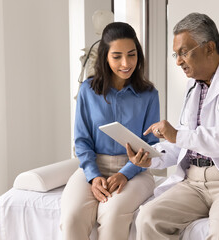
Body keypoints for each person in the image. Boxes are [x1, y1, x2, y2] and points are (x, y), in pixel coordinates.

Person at [127, 12, 219, 240]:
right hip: (194, 181)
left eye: (183, 53)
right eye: (175, 54)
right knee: (148, 217)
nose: (178, 61)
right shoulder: (194, 86)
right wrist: (153, 156)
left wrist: (178, 135)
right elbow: (184, 143)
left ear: (209, 48)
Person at [60, 22, 160, 240]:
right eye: (117, 56)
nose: (126, 63)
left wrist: (125, 173)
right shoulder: (87, 90)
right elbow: (82, 140)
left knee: (113, 215)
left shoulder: (149, 94)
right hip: (94, 165)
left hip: (135, 172)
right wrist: (93, 177)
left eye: (131, 55)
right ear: (105, 57)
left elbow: (151, 145)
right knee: (72, 218)